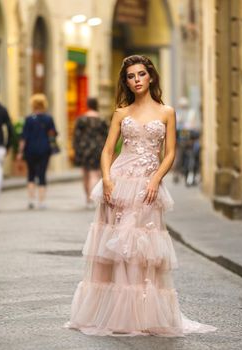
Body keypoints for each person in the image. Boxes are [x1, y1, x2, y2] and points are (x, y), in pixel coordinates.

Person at [66, 55, 217, 336]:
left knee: (143, 249)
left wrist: (156, 179)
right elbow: (107, 151)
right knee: (117, 249)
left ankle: (141, 314)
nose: (136, 80)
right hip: (120, 183)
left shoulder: (167, 112)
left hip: (148, 186)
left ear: (151, 77)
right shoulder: (122, 112)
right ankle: (116, 316)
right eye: (131, 76)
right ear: (126, 82)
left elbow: (171, 152)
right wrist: (108, 180)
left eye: (141, 75)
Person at [16, 94, 57, 210]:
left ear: (33, 105)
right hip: (44, 149)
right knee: (42, 174)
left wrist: (20, 152)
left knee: (31, 174)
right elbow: (53, 134)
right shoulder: (49, 119)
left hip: (30, 149)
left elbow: (24, 138)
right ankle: (42, 201)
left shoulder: (29, 119)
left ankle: (31, 200)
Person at [73, 97, 108, 209]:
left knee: (86, 174)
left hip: (84, 149)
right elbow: (107, 136)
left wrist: (76, 150)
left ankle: (88, 199)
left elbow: (76, 136)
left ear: (87, 105)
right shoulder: (102, 120)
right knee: (95, 174)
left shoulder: (81, 120)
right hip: (98, 149)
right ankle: (93, 199)